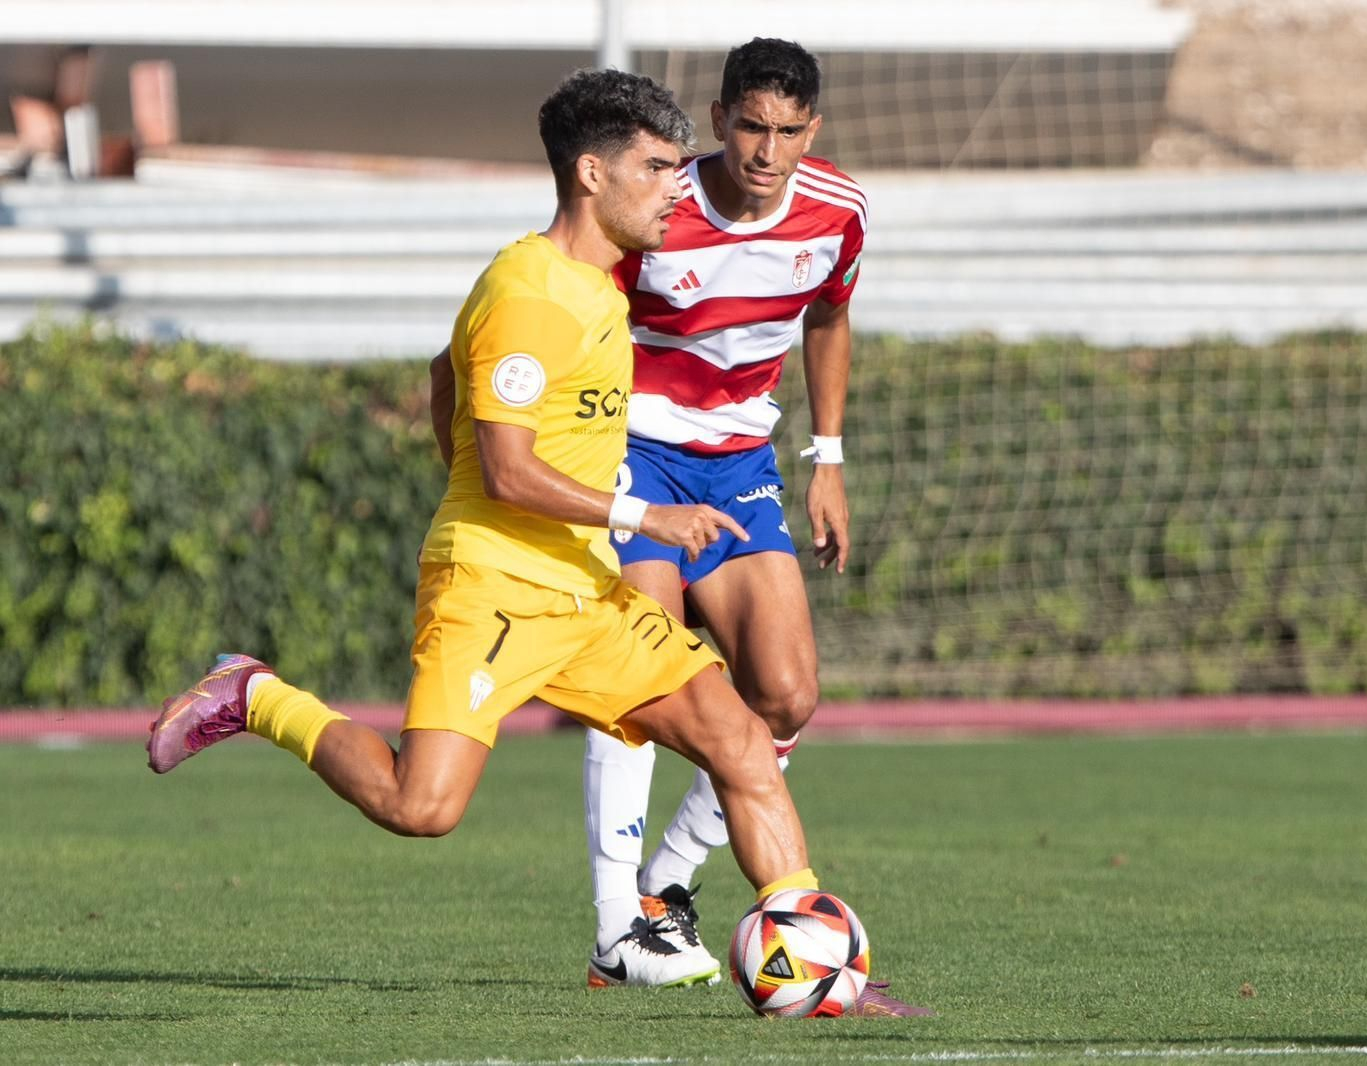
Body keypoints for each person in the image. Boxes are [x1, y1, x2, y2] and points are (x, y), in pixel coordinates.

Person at [147, 68, 825, 989]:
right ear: (591, 174)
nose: (680, 184)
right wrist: (635, 513)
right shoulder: (529, 291)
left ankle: (817, 973)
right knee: (418, 806)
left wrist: (470, 470)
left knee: (742, 740)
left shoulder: (599, 283)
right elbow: (506, 471)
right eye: (659, 167)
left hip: (585, 595)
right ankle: (253, 693)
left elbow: (441, 371)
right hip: (494, 593)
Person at [429, 41, 930, 1017]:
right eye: (749, 125)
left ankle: (664, 889)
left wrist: (826, 459)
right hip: (636, 456)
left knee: (785, 695)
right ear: (719, 116)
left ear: (812, 131)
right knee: (638, 666)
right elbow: (549, 316)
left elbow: (828, 316)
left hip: (741, 465)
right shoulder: (656, 209)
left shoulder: (840, 211)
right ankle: (620, 923)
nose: (765, 149)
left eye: (788, 131)